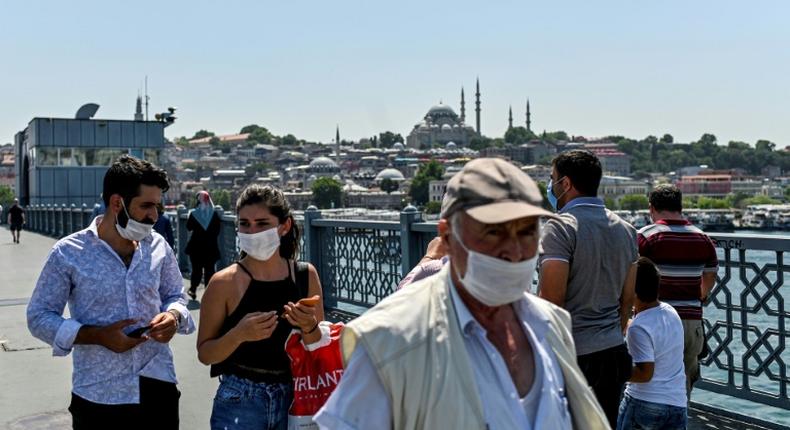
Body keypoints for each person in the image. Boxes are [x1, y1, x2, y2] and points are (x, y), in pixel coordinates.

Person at [315, 158, 608, 430]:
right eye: (494, 232)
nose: (515, 251)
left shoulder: (551, 323)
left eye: (527, 232)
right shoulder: (391, 342)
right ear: (447, 236)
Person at [26, 155, 195, 429]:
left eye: (158, 206)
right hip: (98, 394)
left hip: (158, 384)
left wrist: (174, 317)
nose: (155, 215)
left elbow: (176, 294)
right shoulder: (68, 253)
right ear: (117, 203)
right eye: (147, 206)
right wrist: (96, 336)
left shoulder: (158, 246)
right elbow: (39, 316)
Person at [197, 184, 325, 430]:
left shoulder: (305, 275)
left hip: (298, 397)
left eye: (262, 224)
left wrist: (310, 327)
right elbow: (205, 353)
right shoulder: (223, 282)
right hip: (240, 399)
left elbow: (319, 349)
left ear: (284, 226)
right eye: (244, 224)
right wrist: (238, 335)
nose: (252, 231)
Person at [538, 149, 638, 427]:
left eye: (552, 179)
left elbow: (552, 300)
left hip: (573, 355)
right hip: (612, 351)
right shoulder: (626, 229)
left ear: (566, 184)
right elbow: (627, 299)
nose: (551, 185)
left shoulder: (560, 227)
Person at [637, 184, 718, 398]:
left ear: (651, 208)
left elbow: (630, 276)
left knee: (650, 386)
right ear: (680, 207)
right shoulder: (703, 238)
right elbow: (709, 277)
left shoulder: (646, 236)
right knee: (682, 386)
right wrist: (697, 295)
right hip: (691, 322)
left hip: (655, 320)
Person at [617, 257, 687, 430]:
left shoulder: (638, 329)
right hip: (677, 403)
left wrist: (615, 372)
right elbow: (652, 328)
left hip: (645, 403)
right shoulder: (671, 312)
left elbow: (645, 374)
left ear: (632, 290)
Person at [185, 191, 221, 299]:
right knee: (210, 270)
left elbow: (188, 227)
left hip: (196, 248)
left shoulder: (194, 214)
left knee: (196, 270)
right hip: (210, 248)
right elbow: (217, 230)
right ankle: (208, 291)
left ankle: (193, 289)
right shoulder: (214, 214)